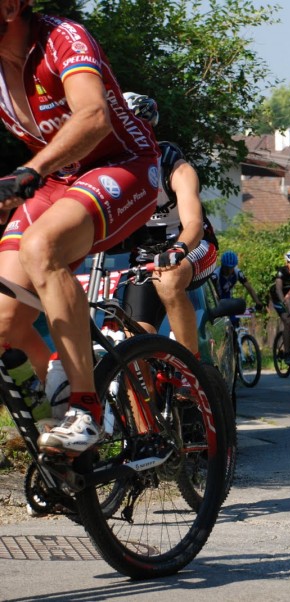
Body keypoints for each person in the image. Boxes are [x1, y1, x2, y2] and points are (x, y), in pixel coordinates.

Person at [0, 2, 160, 455]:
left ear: (11, 6)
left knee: (41, 246)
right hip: (57, 180)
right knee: (3, 322)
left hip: (122, 164)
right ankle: (51, 440)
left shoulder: (61, 38)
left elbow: (92, 115)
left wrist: (25, 173)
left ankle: (87, 410)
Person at [120, 93, 218, 355]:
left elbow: (194, 223)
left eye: (137, 128)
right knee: (133, 344)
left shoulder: (174, 166)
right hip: (145, 254)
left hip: (190, 245)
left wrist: (178, 249)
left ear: (149, 129)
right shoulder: (113, 170)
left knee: (168, 279)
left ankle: (190, 369)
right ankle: (144, 393)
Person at [269, 250, 290, 360]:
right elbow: (279, 289)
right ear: (286, 262)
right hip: (279, 298)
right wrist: (284, 302)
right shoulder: (282, 272)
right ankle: (287, 352)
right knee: (288, 321)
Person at [215, 250, 265, 325]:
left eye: (231, 267)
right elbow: (212, 292)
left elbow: (249, 288)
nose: (229, 270)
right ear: (222, 264)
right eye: (226, 268)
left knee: (235, 321)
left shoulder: (237, 272)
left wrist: (257, 301)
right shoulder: (215, 275)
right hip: (217, 301)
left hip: (228, 299)